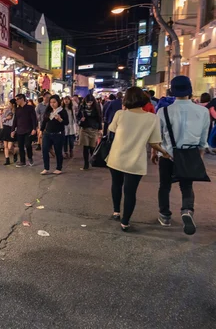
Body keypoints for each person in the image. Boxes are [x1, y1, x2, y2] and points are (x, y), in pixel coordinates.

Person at [106, 87, 171, 232]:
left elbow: (112, 129)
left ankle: (116, 211)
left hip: (116, 157)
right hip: (136, 160)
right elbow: (154, 142)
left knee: (116, 185)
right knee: (130, 192)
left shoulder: (120, 114)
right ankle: (125, 222)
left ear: (126, 99)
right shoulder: (152, 118)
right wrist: (163, 153)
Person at [152, 76, 211, 235]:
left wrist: (156, 152)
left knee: (164, 185)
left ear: (172, 91)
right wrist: (200, 154)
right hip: (190, 153)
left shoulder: (163, 111)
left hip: (167, 154)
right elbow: (203, 139)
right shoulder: (203, 111)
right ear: (190, 90)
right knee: (186, 185)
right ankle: (187, 210)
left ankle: (165, 216)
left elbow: (157, 136)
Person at [40, 95, 69, 175]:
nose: (52, 104)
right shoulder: (49, 111)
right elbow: (44, 121)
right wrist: (41, 130)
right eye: (51, 102)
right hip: (47, 133)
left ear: (58, 102)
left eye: (54, 102)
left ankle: (59, 168)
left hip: (58, 134)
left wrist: (60, 119)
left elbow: (66, 123)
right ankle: (46, 168)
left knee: (58, 151)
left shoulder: (62, 111)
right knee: (45, 149)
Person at [11, 94, 38, 167]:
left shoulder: (30, 108)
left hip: (28, 130)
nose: (16, 101)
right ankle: (22, 161)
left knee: (28, 144)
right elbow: (15, 120)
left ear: (22, 99)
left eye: (17, 99)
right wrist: (13, 130)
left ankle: (30, 157)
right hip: (19, 130)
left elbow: (34, 119)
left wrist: (34, 128)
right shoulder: (17, 109)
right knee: (20, 146)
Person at [77, 94, 102, 170]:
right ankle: (86, 164)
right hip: (84, 128)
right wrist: (81, 119)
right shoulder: (82, 107)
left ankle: (93, 161)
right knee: (85, 146)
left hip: (93, 129)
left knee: (92, 147)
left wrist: (100, 129)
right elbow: (78, 116)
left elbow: (99, 118)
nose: (89, 104)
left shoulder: (96, 107)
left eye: (90, 102)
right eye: (87, 102)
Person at [0, 99, 17, 165]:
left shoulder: (16, 112)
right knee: (5, 146)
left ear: (13, 104)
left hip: (12, 129)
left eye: (10, 104)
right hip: (6, 128)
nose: (9, 105)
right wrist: (6, 118)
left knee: (10, 146)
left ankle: (14, 152)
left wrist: (15, 130)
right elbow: (2, 119)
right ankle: (7, 160)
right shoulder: (6, 111)